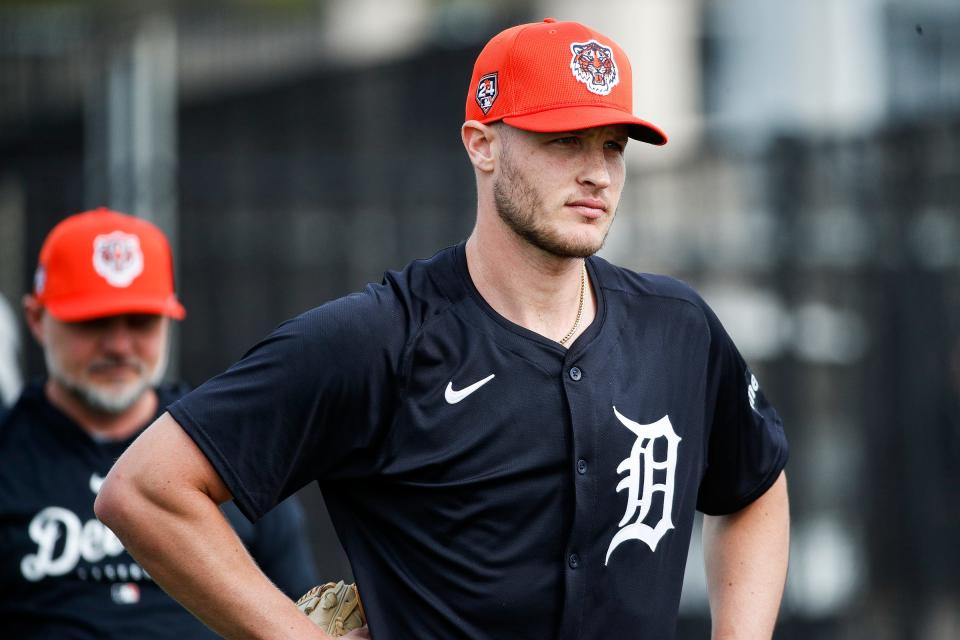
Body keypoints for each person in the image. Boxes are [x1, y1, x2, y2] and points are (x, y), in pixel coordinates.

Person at [96, 19, 790, 640]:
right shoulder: (381, 339)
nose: (597, 173)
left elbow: (754, 483)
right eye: (565, 140)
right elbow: (147, 490)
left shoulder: (677, 328)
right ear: (482, 145)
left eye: (613, 146)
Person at [0, 208, 319, 639]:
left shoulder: (225, 446)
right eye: (92, 321)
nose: (118, 344)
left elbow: (306, 607)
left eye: (140, 321)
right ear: (37, 320)